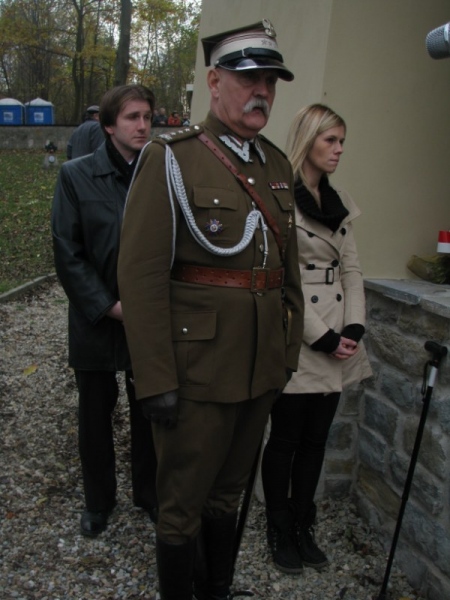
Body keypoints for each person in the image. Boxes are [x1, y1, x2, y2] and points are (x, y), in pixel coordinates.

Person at [117, 19, 304, 600]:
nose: (262, 92)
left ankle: (216, 590)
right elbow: (141, 278)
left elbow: (287, 274)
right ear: (215, 81)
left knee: (230, 493)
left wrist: (286, 354)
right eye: (250, 79)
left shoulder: (277, 166)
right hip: (195, 369)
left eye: (270, 81)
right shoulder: (172, 158)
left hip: (259, 367)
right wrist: (155, 378)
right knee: (181, 504)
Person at [261, 103, 372, 575]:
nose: (339, 149)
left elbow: (351, 270)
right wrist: (323, 337)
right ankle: (278, 526)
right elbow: (278, 281)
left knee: (316, 440)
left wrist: (353, 328)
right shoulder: (280, 198)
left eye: (342, 141)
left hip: (338, 335)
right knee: (285, 439)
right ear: (308, 140)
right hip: (298, 334)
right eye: (331, 140)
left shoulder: (338, 199)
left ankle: (304, 523)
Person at [51, 84, 158, 537]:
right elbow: (67, 251)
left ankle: (149, 494)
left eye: (147, 117)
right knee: (95, 415)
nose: (143, 126)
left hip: (146, 320)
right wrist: (107, 306)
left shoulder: (159, 175)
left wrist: (148, 308)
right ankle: (99, 501)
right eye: (133, 117)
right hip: (95, 318)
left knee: (150, 410)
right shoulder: (76, 175)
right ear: (109, 124)